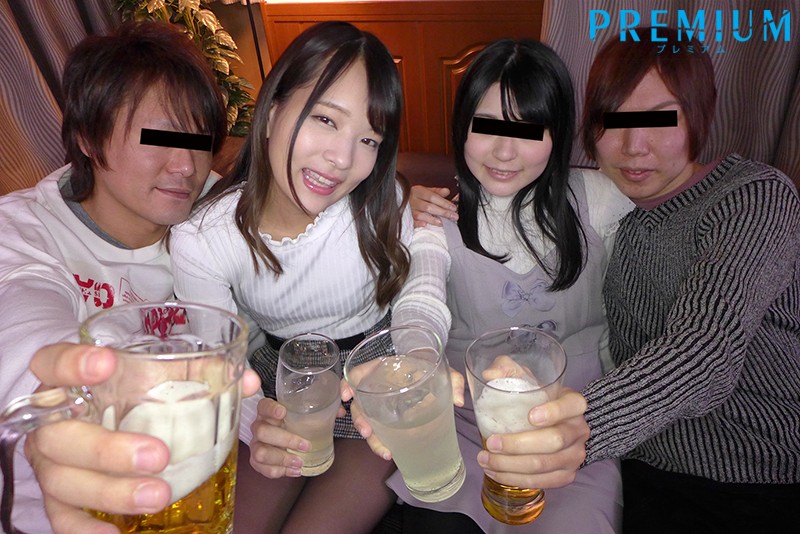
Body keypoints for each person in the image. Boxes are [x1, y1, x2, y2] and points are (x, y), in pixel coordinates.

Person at [469, 27, 800, 533]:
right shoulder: (604, 208)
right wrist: (422, 201)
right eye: (613, 119)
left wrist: (583, 426)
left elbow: (705, 349)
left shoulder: (752, 195)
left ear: (699, 116)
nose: (634, 146)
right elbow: (510, 189)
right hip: (646, 468)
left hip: (762, 472)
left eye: (661, 119)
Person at [167, 21, 449, 533]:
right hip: (283, 383)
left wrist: (416, 356)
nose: (342, 159)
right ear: (272, 111)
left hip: (379, 378)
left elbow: (423, 281)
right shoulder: (203, 240)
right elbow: (221, 361)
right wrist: (255, 420)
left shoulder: (381, 203)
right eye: (325, 119)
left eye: (368, 139)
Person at [0, 21, 264, 534]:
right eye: (158, 138)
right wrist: (60, 395)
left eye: (198, 141)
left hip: (198, 487)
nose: (185, 166)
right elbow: (21, 323)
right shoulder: (24, 231)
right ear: (88, 137)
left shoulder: (218, 218)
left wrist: (401, 206)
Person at [371, 38, 632, 532]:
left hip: (574, 432)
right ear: (462, 127)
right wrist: (420, 362)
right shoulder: (434, 220)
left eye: (529, 130)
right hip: (465, 431)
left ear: (557, 134)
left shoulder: (601, 199)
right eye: (487, 126)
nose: (504, 152)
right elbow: (421, 301)